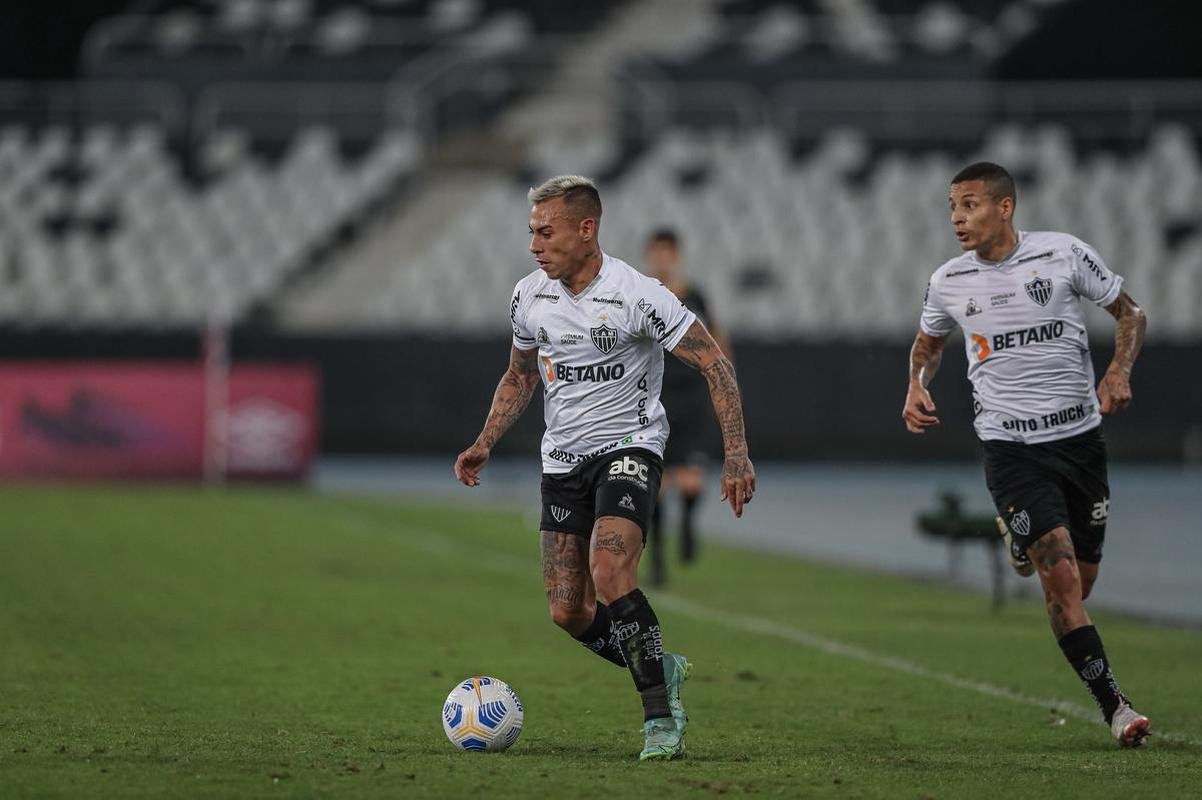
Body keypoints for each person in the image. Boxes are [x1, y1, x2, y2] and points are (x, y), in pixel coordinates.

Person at [453, 175, 756, 761]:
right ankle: (659, 667)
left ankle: (659, 722)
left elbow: (715, 364)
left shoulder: (638, 294)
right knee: (567, 610)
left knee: (611, 570)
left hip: (630, 448)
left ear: (586, 229)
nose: (535, 245)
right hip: (561, 461)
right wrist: (485, 440)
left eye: (547, 232)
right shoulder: (528, 296)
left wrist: (736, 452)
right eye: (531, 232)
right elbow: (519, 374)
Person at [902, 162, 1150, 748]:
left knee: (1082, 584)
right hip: (1011, 449)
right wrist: (916, 382)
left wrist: (1118, 369)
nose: (958, 219)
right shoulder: (948, 282)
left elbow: (1131, 314)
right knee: (1060, 581)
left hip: (1080, 443)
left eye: (969, 205)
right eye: (952, 208)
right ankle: (1116, 707)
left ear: (1004, 208)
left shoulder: (1062, 255)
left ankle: (1015, 536)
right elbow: (927, 346)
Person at [642, 229, 730, 586]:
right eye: (657, 253)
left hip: (692, 395)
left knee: (691, 480)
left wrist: (724, 381)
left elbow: (717, 340)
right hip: (656, 396)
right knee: (657, 482)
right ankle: (658, 559)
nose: (662, 259)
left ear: (676, 255)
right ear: (650, 255)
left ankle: (688, 525)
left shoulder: (695, 296)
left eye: (668, 253)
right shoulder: (642, 294)